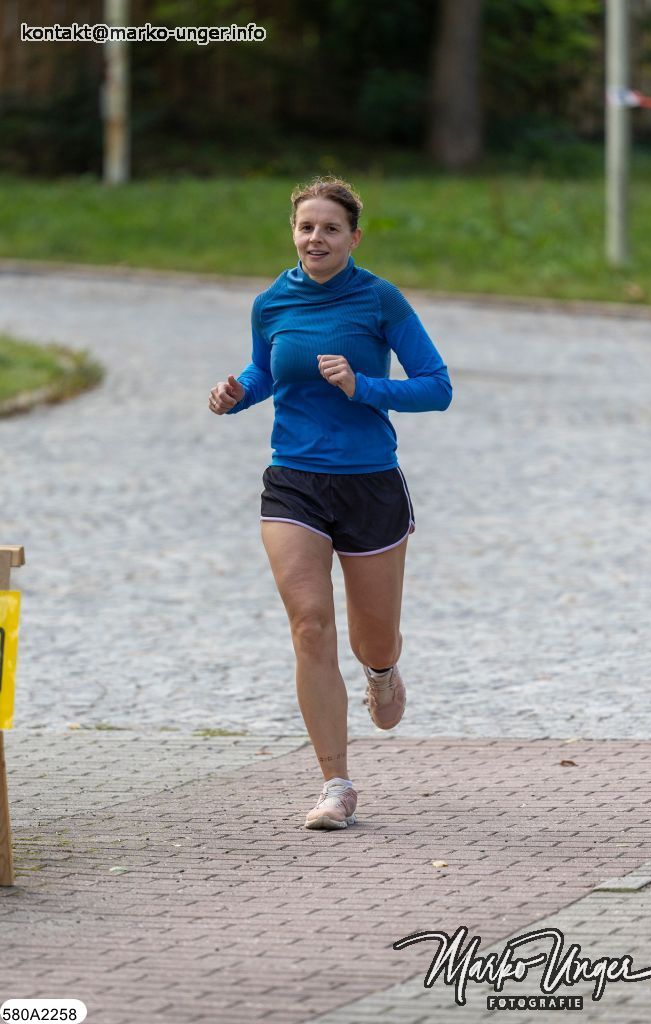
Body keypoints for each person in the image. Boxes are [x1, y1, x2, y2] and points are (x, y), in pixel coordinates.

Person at [209, 176, 452, 830]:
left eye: (330, 229)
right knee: (309, 624)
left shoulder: (379, 299)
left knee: (373, 637)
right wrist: (238, 393)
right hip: (294, 480)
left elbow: (436, 387)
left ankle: (382, 671)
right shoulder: (271, 302)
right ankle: (335, 785)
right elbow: (265, 371)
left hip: (369, 482)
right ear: (293, 232)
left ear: (354, 237)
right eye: (305, 227)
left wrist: (362, 385)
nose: (315, 238)